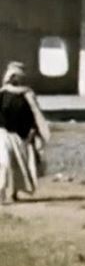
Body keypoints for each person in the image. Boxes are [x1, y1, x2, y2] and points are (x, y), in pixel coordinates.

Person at [0, 62, 50, 205]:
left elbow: (34, 114)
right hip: (3, 134)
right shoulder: (2, 94)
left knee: (17, 166)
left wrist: (34, 131)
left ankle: (13, 193)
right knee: (4, 163)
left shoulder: (27, 94)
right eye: (14, 76)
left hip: (21, 135)